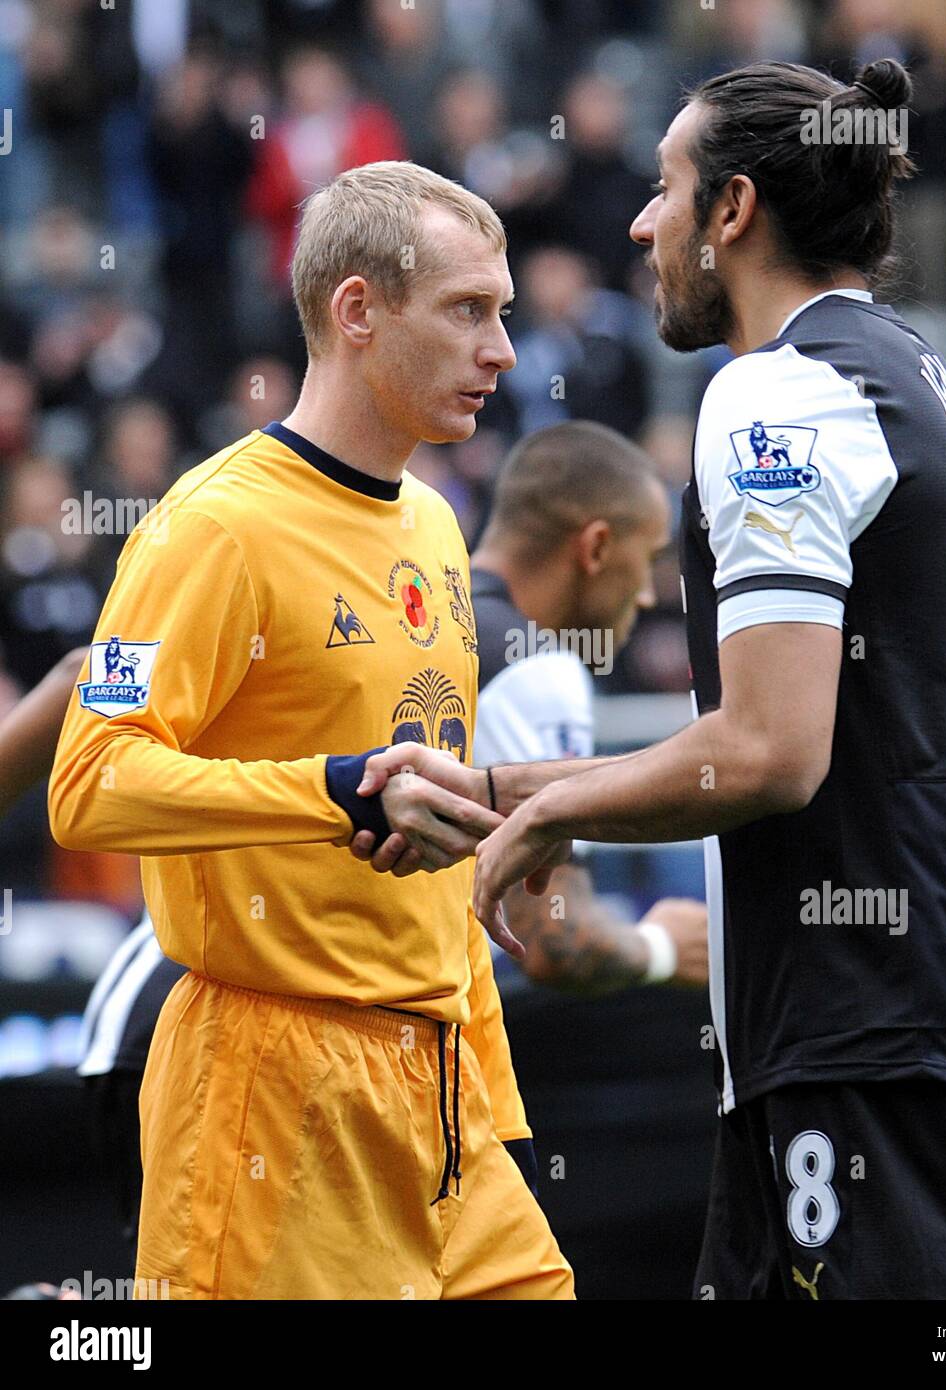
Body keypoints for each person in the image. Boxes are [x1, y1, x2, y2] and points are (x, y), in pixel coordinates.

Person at [354, 59, 946, 1300]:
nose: (641, 222)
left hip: (868, 1044)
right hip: (923, 1030)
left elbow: (769, 753)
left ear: (731, 211)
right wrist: (498, 785)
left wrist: (545, 808)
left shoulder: (771, 394)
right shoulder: (923, 379)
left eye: (664, 186)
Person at [49, 161, 572, 1300]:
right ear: (355, 311)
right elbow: (87, 783)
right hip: (269, 1090)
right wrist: (331, 789)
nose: (503, 352)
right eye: (468, 311)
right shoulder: (212, 528)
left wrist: (496, 1105)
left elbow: (436, 854)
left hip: (443, 1096)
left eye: (505, 314)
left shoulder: (436, 523)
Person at [470, 419, 707, 996]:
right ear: (597, 546)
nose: (648, 595)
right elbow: (553, 940)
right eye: (649, 559)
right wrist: (664, 947)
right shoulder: (535, 671)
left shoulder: (421, 616)